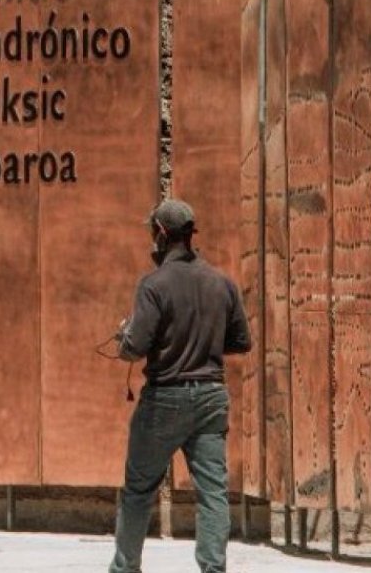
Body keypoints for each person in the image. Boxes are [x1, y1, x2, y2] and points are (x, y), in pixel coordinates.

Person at [109, 199, 252, 573]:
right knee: (212, 493)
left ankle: (125, 569)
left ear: (160, 233)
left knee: (138, 490)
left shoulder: (153, 285)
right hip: (211, 398)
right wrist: (202, 341)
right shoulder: (222, 282)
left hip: (165, 399)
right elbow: (241, 341)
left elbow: (134, 347)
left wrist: (124, 337)